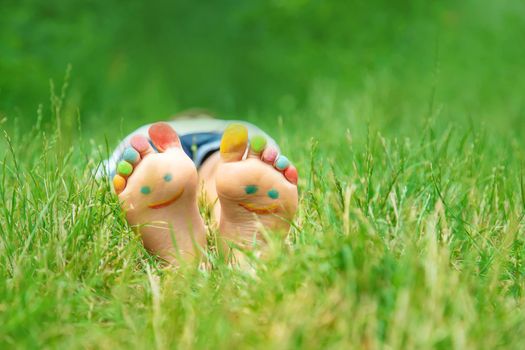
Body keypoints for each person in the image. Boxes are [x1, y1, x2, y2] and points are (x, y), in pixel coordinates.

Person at [104, 113, 298, 263]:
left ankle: (181, 260)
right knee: (223, 170)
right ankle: (242, 253)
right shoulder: (224, 123)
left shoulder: (153, 130)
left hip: (150, 140)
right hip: (229, 135)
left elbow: (98, 172)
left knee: (158, 168)